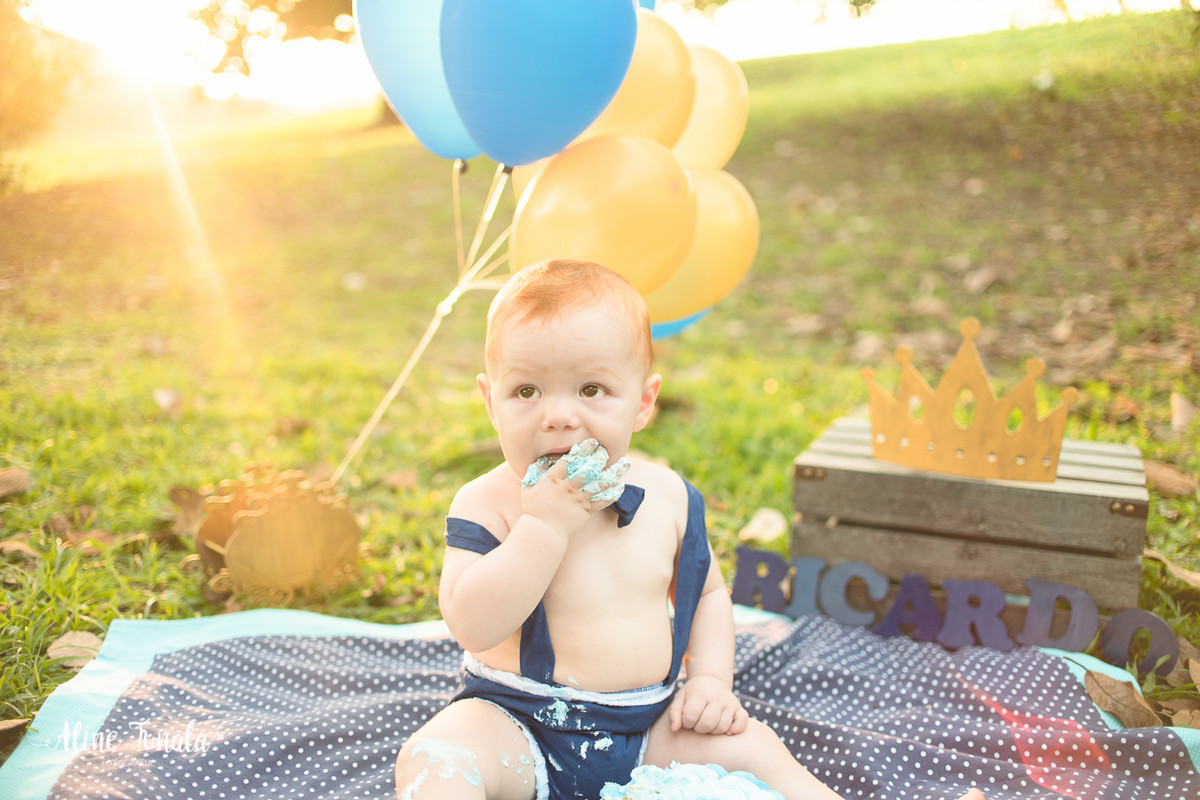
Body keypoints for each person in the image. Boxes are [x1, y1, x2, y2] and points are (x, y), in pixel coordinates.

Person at [394, 259, 982, 800]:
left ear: (643, 402)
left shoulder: (669, 498)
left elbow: (706, 596)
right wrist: (542, 527)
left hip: (649, 727)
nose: (559, 415)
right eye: (526, 391)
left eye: (592, 389)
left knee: (756, 748)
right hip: (517, 721)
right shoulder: (486, 503)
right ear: (490, 401)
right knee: (435, 756)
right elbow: (472, 624)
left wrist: (711, 682)